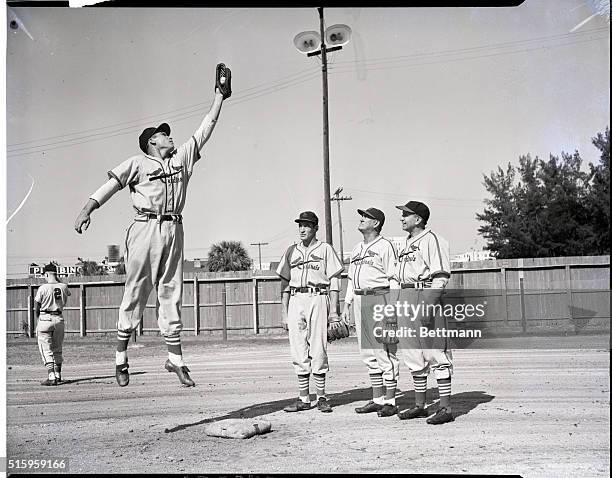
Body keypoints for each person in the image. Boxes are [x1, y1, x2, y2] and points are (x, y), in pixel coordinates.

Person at [74, 64, 232, 387]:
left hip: (174, 227)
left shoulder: (182, 158)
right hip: (145, 227)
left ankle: (175, 359)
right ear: (151, 143)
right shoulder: (137, 162)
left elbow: (206, 128)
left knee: (172, 290)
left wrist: (219, 96)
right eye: (162, 133)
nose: (169, 134)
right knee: (136, 290)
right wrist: (88, 207)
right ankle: (120, 358)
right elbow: (112, 186)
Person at [393, 201, 454, 425]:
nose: (401, 218)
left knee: (435, 352)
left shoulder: (432, 239)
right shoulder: (404, 243)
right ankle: (420, 405)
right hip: (406, 296)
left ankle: (446, 407)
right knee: (412, 353)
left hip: (425, 292)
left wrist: (429, 304)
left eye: (405, 214)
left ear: (418, 219)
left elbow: (440, 276)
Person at [276, 211, 344, 413]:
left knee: (318, 347)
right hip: (296, 299)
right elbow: (285, 283)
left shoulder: (325, 249)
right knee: (298, 348)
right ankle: (304, 398)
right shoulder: (291, 251)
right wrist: (283, 312)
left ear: (315, 228)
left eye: (307, 225)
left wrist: (333, 312)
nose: (302, 229)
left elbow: (334, 281)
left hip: (318, 297)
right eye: (300, 225)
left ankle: (321, 396)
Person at [341, 208, 400, 417]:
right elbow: (350, 280)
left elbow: (394, 279)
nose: (361, 218)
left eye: (366, 216)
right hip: (359, 298)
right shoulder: (356, 248)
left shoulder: (386, 246)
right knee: (367, 352)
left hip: (379, 297)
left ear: (376, 223)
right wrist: (346, 304)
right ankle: (377, 399)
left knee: (384, 351)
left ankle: (391, 401)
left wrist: (391, 308)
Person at [35, 263, 71, 386]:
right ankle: (58, 375)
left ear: (46, 274)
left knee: (46, 349)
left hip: (45, 318)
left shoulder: (42, 288)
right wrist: (56, 279)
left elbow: (37, 306)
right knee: (57, 348)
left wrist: (38, 318)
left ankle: (51, 376)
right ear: (56, 274)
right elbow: (64, 295)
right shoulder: (64, 286)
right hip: (59, 318)